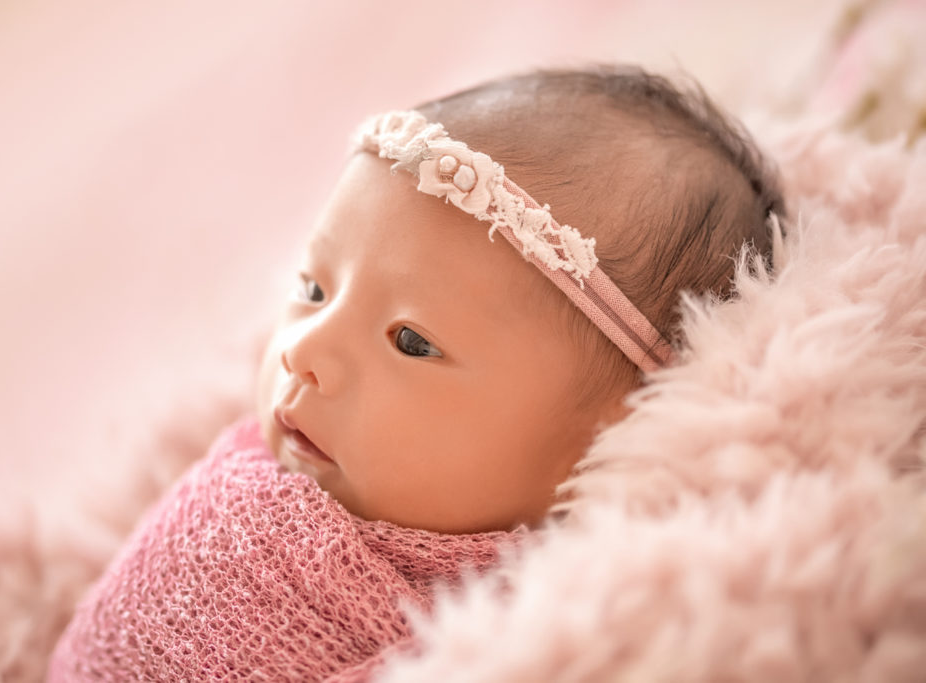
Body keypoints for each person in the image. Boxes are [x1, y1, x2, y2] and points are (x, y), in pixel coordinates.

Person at [48, 65, 785, 681]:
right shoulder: (266, 449)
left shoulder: (511, 617)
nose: (304, 350)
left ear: (599, 442)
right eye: (313, 289)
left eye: (410, 341)